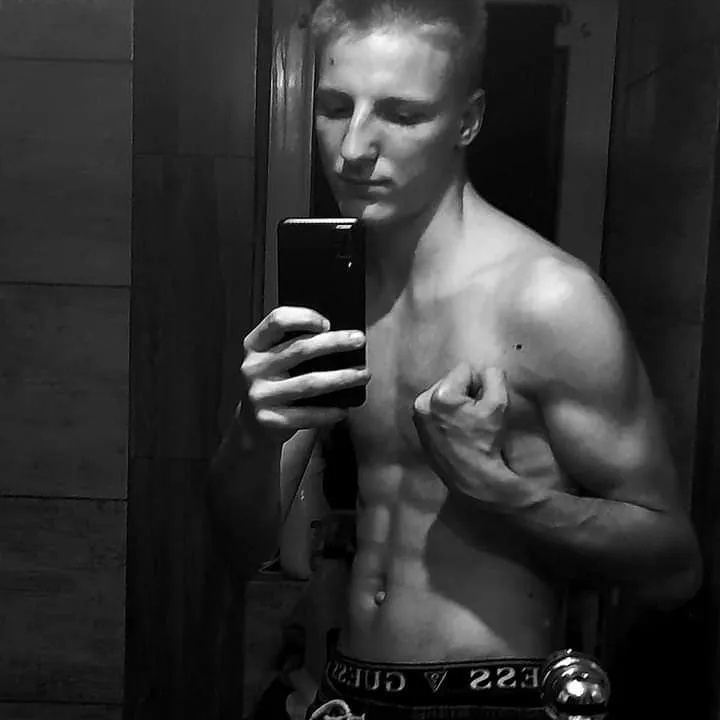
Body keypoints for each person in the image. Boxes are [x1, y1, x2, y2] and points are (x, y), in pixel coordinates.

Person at [209, 1, 702, 718]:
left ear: (467, 121)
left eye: (402, 115)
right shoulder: (336, 296)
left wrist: (497, 490)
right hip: (349, 689)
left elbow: (675, 567)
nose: (352, 148)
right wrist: (253, 433)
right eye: (335, 107)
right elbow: (236, 549)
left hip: (489, 696)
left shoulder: (547, 300)